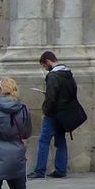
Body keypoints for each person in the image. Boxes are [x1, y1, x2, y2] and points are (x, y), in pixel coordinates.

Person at [32, 50, 77, 178]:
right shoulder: (68, 74)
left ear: (48, 61)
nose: (45, 69)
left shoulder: (52, 76)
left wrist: (45, 109)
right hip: (64, 113)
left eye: (44, 66)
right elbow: (73, 92)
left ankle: (40, 170)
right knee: (61, 140)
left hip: (53, 113)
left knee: (44, 140)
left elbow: (51, 97)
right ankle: (61, 170)